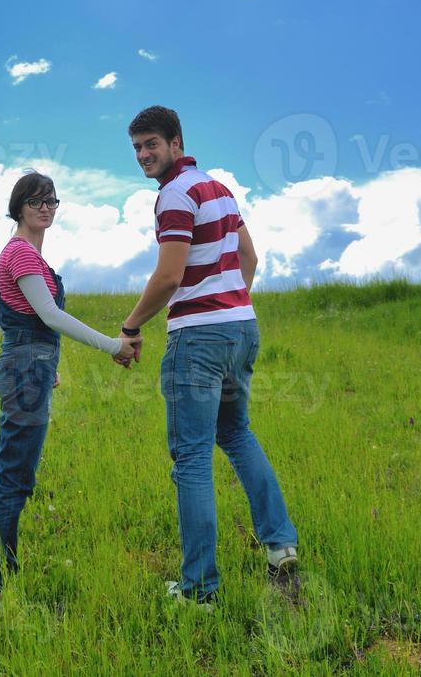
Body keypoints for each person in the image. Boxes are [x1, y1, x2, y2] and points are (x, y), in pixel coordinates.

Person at [120, 106, 299, 605]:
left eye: (151, 144)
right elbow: (249, 259)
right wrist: (230, 301)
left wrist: (131, 326)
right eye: (136, 147)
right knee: (237, 434)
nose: (143, 155)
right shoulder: (218, 189)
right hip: (241, 328)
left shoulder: (174, 196)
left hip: (197, 339)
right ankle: (281, 544)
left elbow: (170, 276)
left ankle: (199, 590)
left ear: (177, 142)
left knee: (192, 458)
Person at [0, 171, 140, 607]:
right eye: (36, 200)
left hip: (26, 364)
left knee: (0, 474)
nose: (46, 207)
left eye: (52, 201)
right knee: (14, 479)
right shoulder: (21, 254)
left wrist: (39, 361)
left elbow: (5, 320)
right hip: (26, 366)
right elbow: (51, 316)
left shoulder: (24, 255)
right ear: (18, 207)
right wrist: (113, 345)